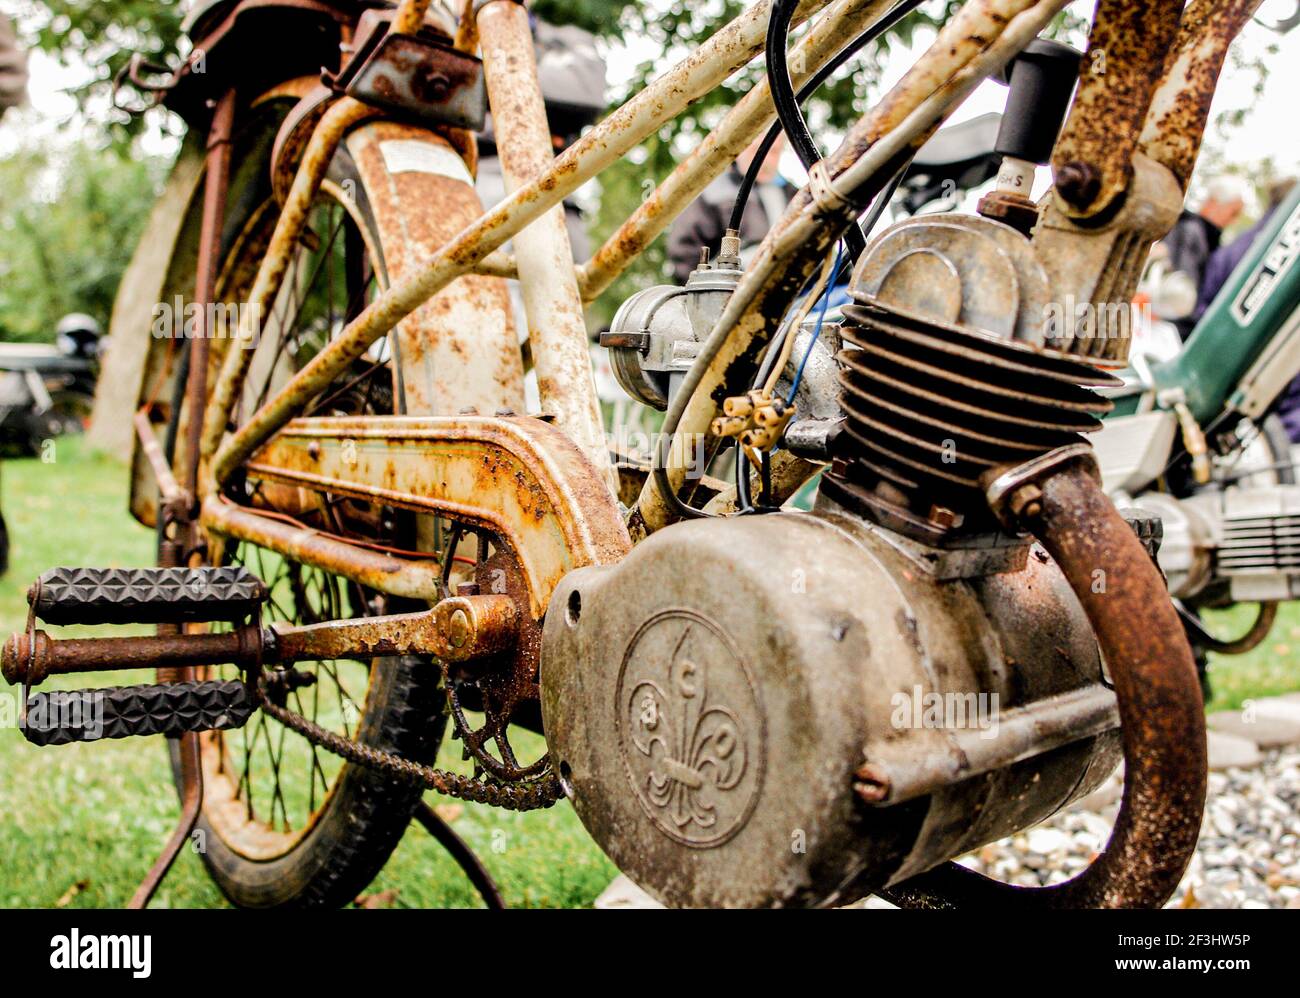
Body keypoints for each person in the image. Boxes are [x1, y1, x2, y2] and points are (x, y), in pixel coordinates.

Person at [667, 134, 794, 283]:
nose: (766, 159)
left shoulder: (791, 195)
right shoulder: (712, 192)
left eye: (773, 151)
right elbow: (685, 254)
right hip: (725, 292)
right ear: (742, 148)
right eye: (757, 150)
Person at [1162, 175, 1249, 338]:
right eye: (1234, 213)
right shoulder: (1190, 232)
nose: (1234, 221)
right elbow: (1181, 293)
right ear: (1215, 203)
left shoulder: (1209, 241)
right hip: (1169, 330)